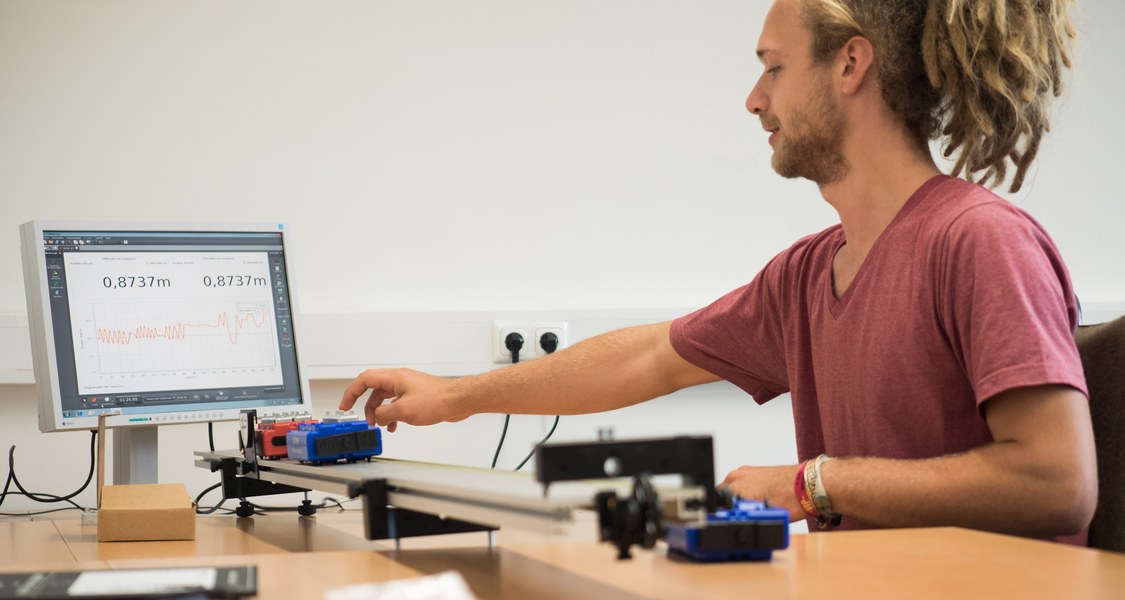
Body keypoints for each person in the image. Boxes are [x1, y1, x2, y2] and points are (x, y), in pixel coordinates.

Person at [340, 0, 1096, 544]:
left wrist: (810, 485)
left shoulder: (978, 241)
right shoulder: (807, 274)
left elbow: (1056, 487)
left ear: (850, 63)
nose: (753, 99)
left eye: (772, 68)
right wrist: (456, 397)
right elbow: (651, 358)